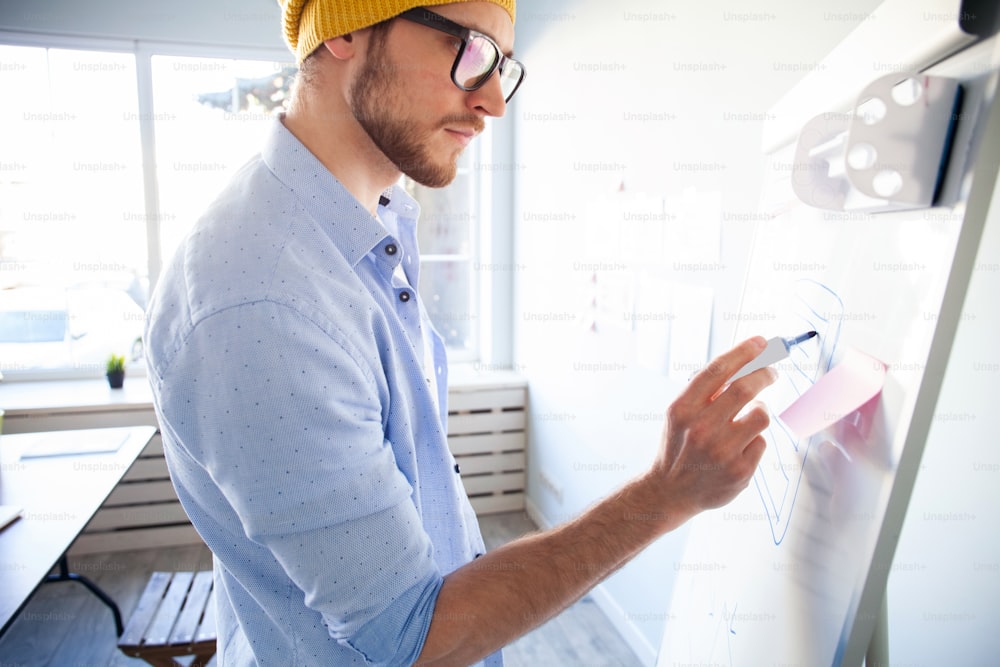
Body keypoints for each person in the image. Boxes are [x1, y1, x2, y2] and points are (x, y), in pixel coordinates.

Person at [143, 1, 777, 665]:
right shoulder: (262, 300)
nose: (495, 102)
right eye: (472, 53)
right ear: (347, 28)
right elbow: (410, 639)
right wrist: (664, 494)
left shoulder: (375, 220)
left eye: (503, 67)